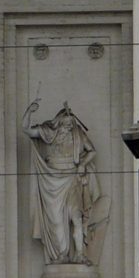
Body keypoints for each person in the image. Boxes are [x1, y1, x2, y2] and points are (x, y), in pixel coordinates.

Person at [22, 100, 101, 265]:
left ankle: (80, 254)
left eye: (71, 124)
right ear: (58, 122)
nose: (69, 127)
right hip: (52, 181)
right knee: (57, 222)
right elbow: (27, 130)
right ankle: (61, 255)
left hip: (72, 179)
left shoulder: (78, 134)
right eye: (66, 124)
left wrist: (82, 164)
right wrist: (29, 112)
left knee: (76, 218)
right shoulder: (48, 132)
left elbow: (92, 151)